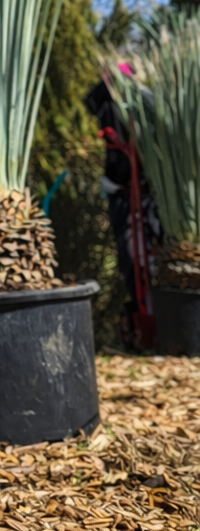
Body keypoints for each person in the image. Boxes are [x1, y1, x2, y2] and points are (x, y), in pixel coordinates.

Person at [84, 77, 160, 350]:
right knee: (129, 257)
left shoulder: (149, 97)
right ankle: (142, 316)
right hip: (120, 191)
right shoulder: (105, 99)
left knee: (156, 251)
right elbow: (91, 104)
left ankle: (158, 315)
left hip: (151, 192)